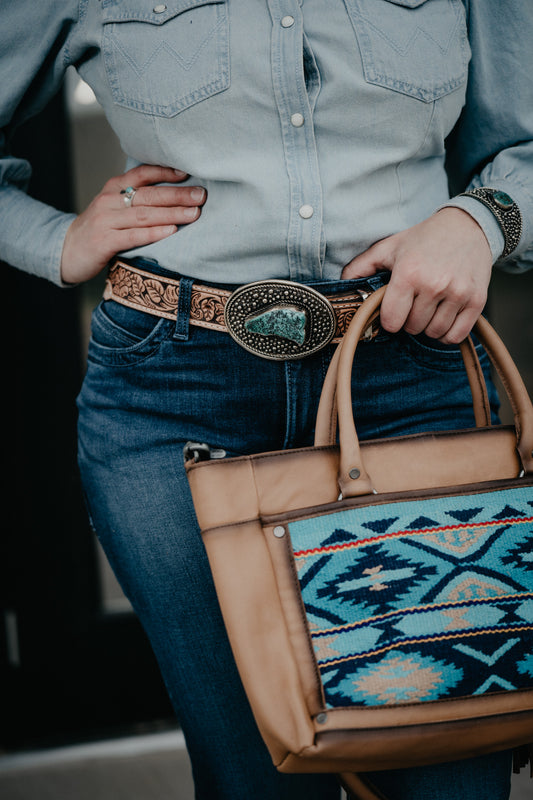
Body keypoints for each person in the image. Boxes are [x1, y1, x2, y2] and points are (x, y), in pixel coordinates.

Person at [2, 1, 532, 798]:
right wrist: (56, 239)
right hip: (173, 394)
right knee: (252, 772)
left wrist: (478, 221)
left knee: (450, 751)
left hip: (409, 378)